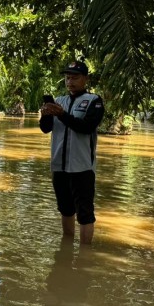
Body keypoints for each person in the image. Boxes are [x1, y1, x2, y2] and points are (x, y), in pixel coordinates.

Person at [40, 60, 104, 244]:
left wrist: (62, 115)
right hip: (59, 165)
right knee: (65, 208)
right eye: (67, 78)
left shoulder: (94, 101)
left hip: (82, 167)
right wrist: (45, 114)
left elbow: (86, 127)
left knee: (84, 212)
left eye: (75, 77)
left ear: (85, 79)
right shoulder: (60, 101)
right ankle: (66, 247)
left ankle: (85, 254)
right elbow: (46, 129)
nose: (70, 81)